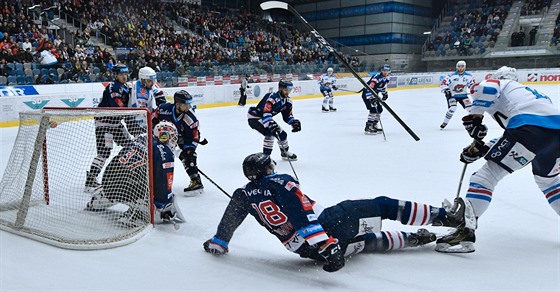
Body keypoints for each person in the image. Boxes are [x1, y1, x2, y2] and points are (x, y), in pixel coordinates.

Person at [203, 153, 473, 272]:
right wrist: (326, 243)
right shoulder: (280, 182)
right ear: (266, 171)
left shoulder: (242, 195)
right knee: (383, 205)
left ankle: (417, 238)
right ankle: (444, 216)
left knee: (365, 243)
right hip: (328, 230)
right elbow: (301, 214)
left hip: (305, 252)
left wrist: (219, 242)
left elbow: (229, 221)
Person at [438, 66, 560, 252]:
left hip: (529, 130)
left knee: (485, 177)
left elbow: (487, 89)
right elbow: (513, 140)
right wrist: (483, 147)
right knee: (549, 183)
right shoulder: (532, 95)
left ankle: (464, 232)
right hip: (554, 135)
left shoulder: (501, 83)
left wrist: (475, 118)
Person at [85, 122, 185, 226]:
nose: (173, 141)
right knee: (149, 189)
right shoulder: (164, 151)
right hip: (130, 186)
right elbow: (163, 182)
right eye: (171, 137)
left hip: (109, 179)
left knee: (131, 175)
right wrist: (163, 204)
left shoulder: (141, 138)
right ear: (162, 136)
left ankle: (99, 198)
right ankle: (138, 214)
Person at [85, 64, 133, 192]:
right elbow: (119, 107)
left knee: (131, 146)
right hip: (105, 124)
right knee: (104, 152)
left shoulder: (126, 87)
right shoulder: (113, 87)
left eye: (126, 73)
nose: (124, 76)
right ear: (115, 75)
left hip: (116, 124)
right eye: (121, 74)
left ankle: (124, 173)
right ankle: (90, 179)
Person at [154, 90, 208, 194]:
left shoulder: (190, 118)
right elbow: (153, 117)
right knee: (158, 155)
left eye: (189, 104)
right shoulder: (164, 109)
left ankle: (195, 179)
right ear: (177, 104)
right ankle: (156, 179)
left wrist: (190, 150)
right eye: (186, 104)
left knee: (188, 156)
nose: (188, 107)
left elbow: (194, 136)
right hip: (162, 136)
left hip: (182, 138)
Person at [247, 79, 301, 160]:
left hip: (266, 118)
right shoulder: (272, 97)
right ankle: (266, 158)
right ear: (280, 89)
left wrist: (293, 122)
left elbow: (287, 116)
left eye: (289, 90)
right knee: (270, 133)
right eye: (286, 90)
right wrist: (270, 123)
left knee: (283, 135)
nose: (288, 92)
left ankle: (284, 153)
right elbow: (265, 113)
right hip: (255, 117)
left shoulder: (288, 101)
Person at [439, 60, 474, 129]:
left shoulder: (469, 76)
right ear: (456, 67)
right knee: (453, 108)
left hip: (463, 96)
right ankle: (445, 122)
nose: (460, 68)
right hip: (452, 96)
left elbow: (472, 85)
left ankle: (474, 123)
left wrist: (474, 89)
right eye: (459, 66)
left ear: (465, 67)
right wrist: (446, 90)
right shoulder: (451, 76)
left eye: (462, 66)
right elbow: (443, 84)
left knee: (470, 109)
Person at [361, 64, 391, 135]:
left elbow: (381, 87)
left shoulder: (386, 78)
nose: (385, 72)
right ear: (381, 70)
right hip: (367, 94)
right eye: (384, 70)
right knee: (373, 109)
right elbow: (370, 87)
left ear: (389, 71)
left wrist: (385, 94)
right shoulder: (377, 77)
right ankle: (368, 127)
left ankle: (374, 125)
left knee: (379, 109)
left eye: (387, 71)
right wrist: (371, 98)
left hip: (375, 95)